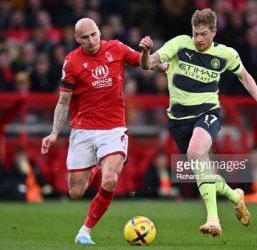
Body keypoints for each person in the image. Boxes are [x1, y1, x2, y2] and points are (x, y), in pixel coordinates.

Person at [139, 8, 257, 237]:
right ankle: (236, 197)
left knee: (197, 153)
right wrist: (146, 52)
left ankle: (213, 219)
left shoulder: (226, 54)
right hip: (178, 120)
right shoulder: (179, 44)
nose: (198, 39)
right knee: (201, 170)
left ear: (214, 32)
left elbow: (245, 76)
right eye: (195, 33)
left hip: (208, 112)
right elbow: (147, 65)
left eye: (203, 34)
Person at [41, 18, 165, 245]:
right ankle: (96, 163)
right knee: (76, 192)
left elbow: (144, 64)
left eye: (94, 34)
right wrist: (53, 132)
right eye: (85, 37)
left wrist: (149, 54)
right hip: (83, 130)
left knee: (109, 180)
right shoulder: (71, 62)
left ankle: (85, 231)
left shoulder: (116, 48)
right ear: (77, 39)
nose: (91, 41)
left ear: (99, 32)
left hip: (113, 129)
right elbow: (64, 100)